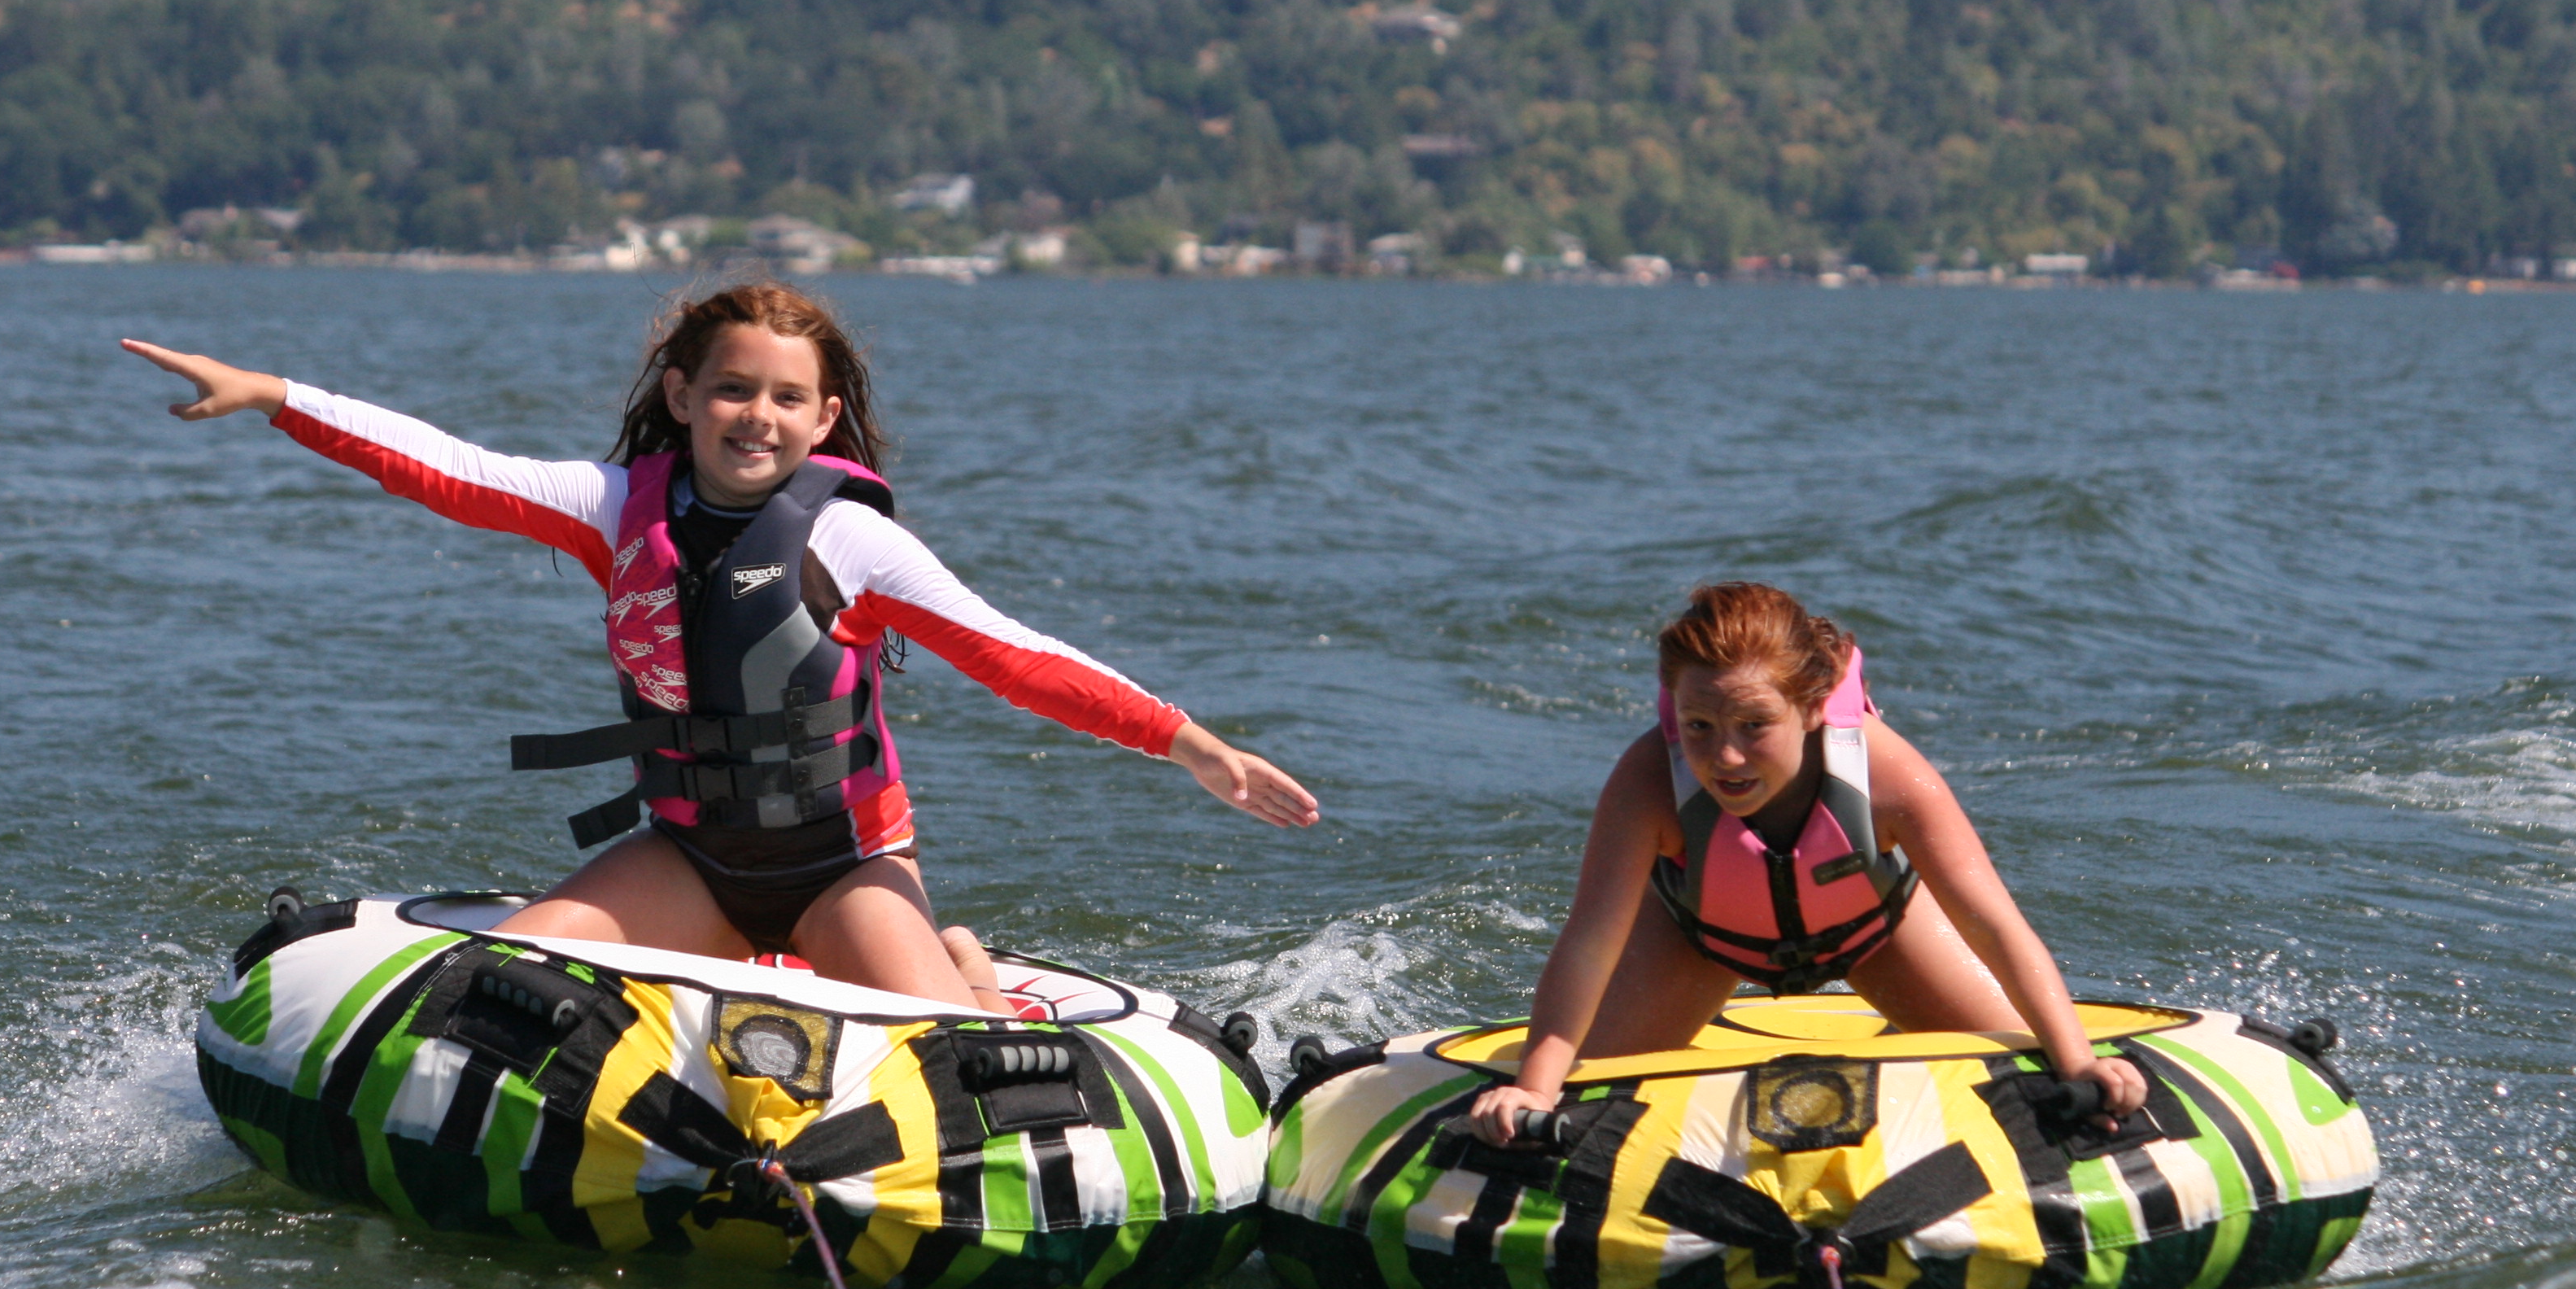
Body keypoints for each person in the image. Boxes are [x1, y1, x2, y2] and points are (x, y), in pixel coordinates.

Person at [121, 282, 1316, 1011]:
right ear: (684, 396)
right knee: (486, 998)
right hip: (689, 859)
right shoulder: (611, 507)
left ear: (825, 418)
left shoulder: (851, 541)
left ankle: (956, 955)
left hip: (844, 871)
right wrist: (273, 394)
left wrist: (1191, 745)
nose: (760, 417)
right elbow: (450, 472)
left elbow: (1014, 656)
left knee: (950, 1053)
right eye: (735, 390)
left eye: (789, 399)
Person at [1469, 581, 2144, 1143]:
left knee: (2027, 1074)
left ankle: (1904, 1032)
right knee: (1581, 1095)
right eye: (1699, 726)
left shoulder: (1885, 774)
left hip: (1876, 937)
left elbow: (1993, 925)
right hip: (1699, 943)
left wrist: (2078, 1062)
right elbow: (1589, 945)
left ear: (1814, 708)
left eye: (1754, 725)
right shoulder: (1646, 783)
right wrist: (1534, 1089)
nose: (1725, 757)